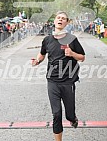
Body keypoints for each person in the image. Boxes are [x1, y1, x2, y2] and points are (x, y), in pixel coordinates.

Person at [32, 11, 85, 141]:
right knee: (56, 114)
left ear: (67, 22)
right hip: (52, 81)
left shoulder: (72, 39)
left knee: (69, 114)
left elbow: (82, 57)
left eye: (63, 18)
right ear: (54, 21)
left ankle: (72, 119)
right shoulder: (47, 40)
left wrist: (72, 53)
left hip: (68, 81)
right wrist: (37, 61)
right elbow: (42, 54)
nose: (60, 20)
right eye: (58, 18)